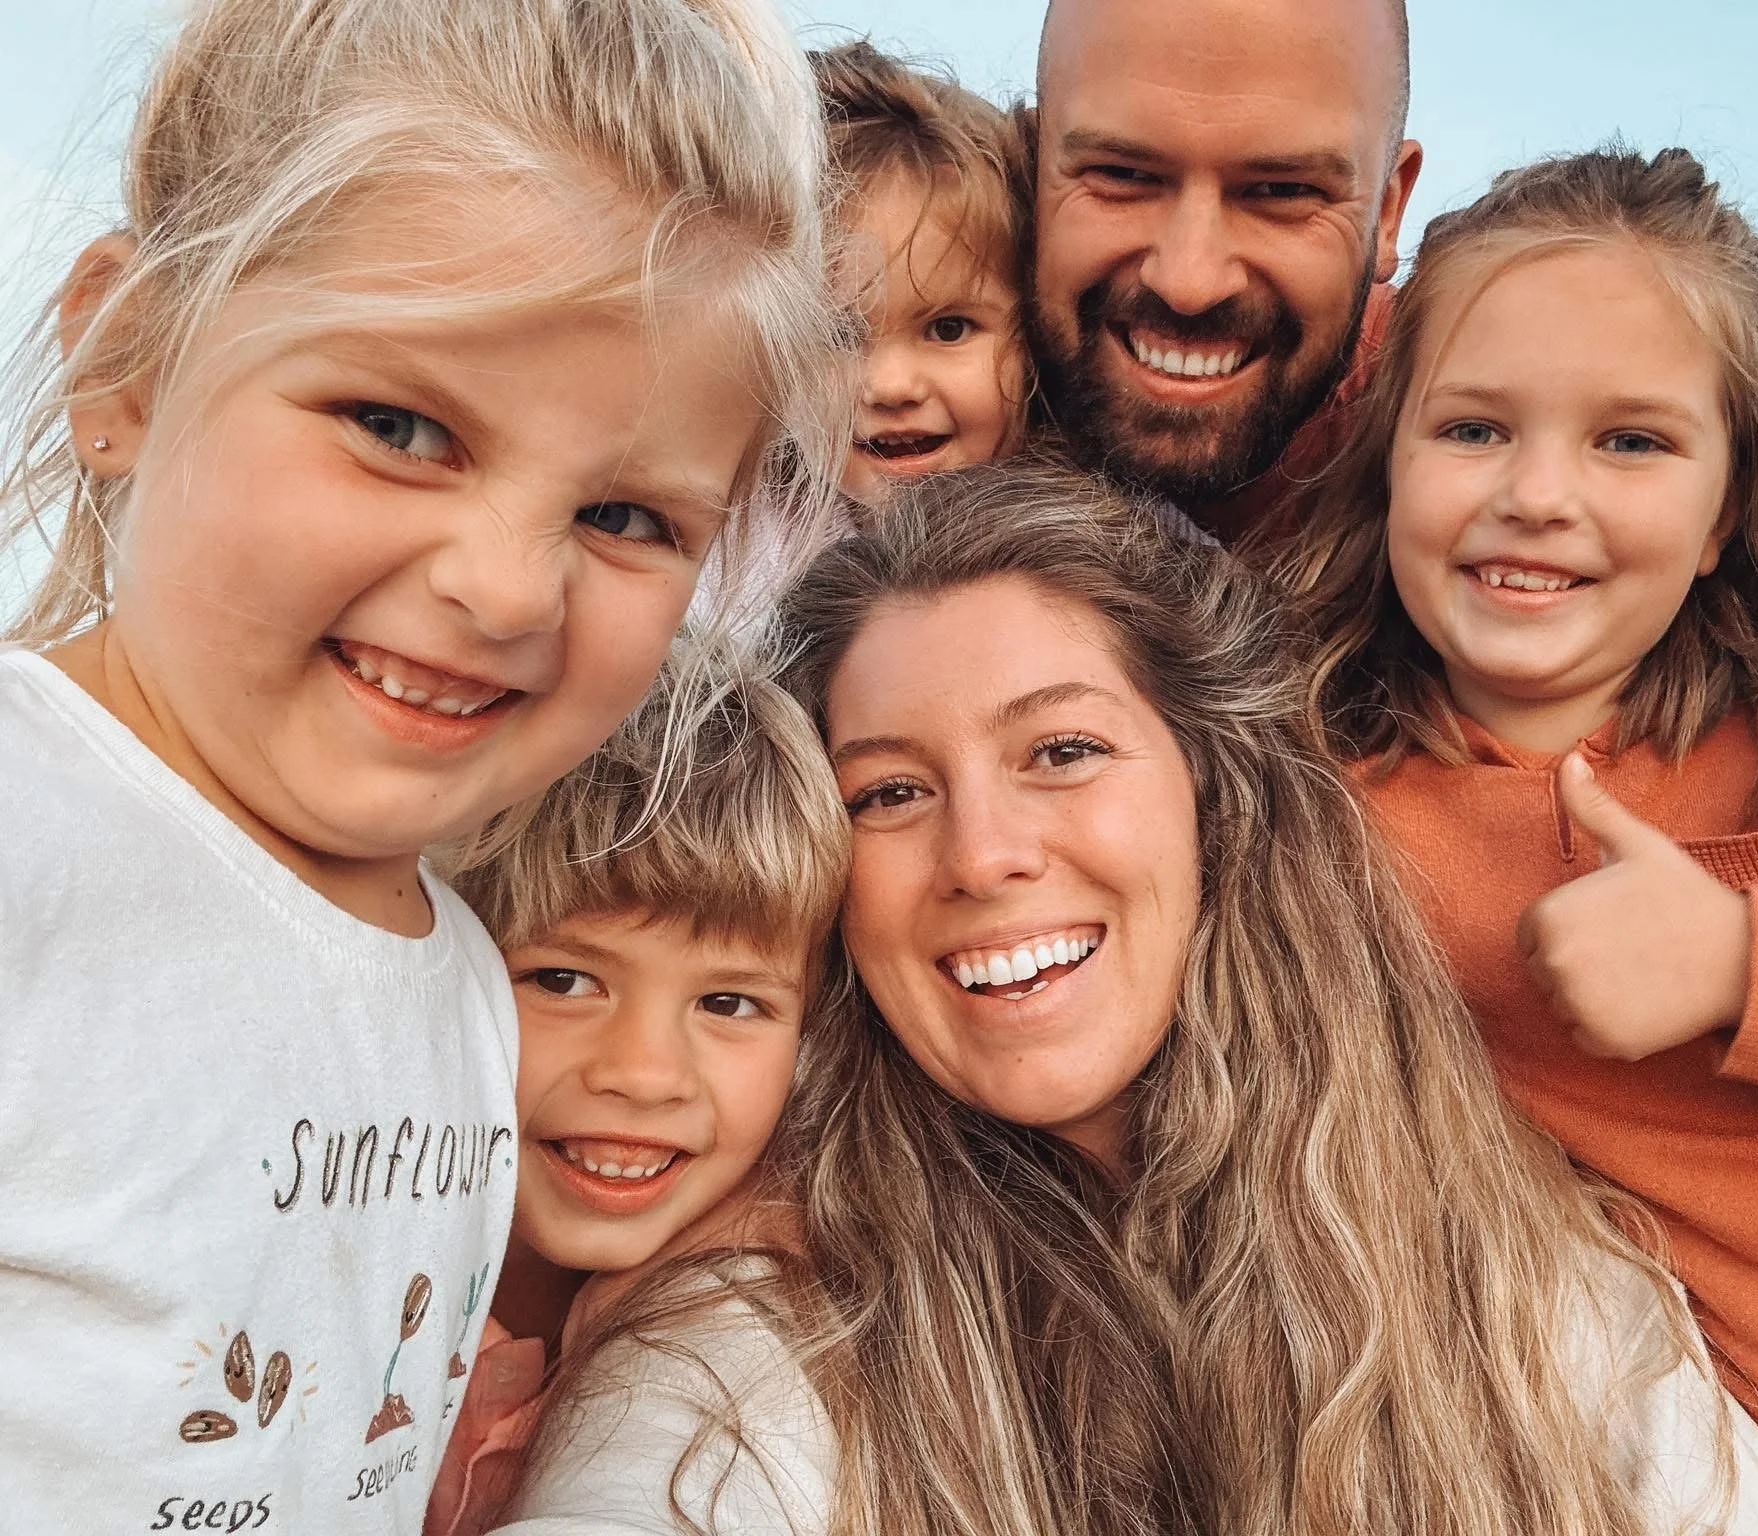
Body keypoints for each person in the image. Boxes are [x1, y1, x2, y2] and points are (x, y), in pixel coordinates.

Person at [0, 0, 842, 1527]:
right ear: (127, 364)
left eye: (629, 519)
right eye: (402, 425)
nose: (510, 589)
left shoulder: (466, 986)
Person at [680, 461, 1758, 1536]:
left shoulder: (1529, 1288)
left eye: (1061, 750)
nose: (980, 855)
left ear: (1215, 796)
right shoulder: (765, 1329)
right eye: (888, 791)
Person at [1273, 145, 1758, 1530]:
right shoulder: (1324, 804)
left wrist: (1753, 967)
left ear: (1724, 513)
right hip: (1705, 1473)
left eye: (1630, 440)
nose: (1538, 493)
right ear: (1385, 463)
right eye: (1472, 430)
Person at [422, 650, 849, 1535]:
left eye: (729, 1002)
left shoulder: (783, 1294)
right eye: (565, 981)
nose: (645, 1073)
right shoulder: (334, 1248)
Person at [1028, 0, 1420, 542]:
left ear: (1387, 212)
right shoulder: (907, 371)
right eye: (1121, 173)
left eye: (1284, 191)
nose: (1189, 283)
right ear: (1032, 161)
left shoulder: (1481, 425)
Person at [813, 41, 1031, 509]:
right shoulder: (732, 549)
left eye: (948, 329)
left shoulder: (1117, 546)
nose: (889, 388)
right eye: (836, 336)